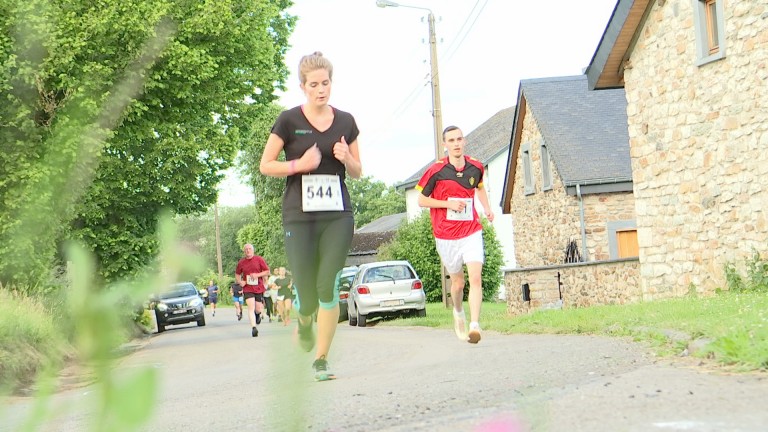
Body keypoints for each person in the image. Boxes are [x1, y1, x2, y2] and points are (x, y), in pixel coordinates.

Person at [259, 51, 362, 381]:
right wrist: (297, 165)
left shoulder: (346, 121)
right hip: (299, 217)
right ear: (302, 86)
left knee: (327, 286)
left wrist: (347, 158)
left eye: (326, 83)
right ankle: (304, 321)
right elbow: (266, 164)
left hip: (337, 215)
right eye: (314, 84)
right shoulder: (288, 121)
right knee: (305, 293)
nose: (321, 90)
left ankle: (321, 359)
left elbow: (358, 172)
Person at [416, 125, 494, 344]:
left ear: (464, 141)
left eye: (459, 139)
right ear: (445, 145)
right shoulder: (436, 171)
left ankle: (475, 326)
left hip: (471, 230)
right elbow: (421, 200)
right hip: (446, 235)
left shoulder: (476, 166)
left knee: (476, 278)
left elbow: (479, 188)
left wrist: (486, 208)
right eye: (451, 140)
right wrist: (447, 203)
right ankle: (458, 311)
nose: (456, 143)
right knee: (458, 283)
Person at [235, 243, 270, 337]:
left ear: (253, 250)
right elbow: (237, 274)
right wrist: (240, 282)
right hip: (247, 288)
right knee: (251, 307)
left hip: (258, 287)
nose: (248, 251)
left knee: (258, 308)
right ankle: (254, 328)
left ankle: (258, 315)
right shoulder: (241, 262)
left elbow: (267, 271)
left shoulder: (259, 259)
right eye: (246, 249)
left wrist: (257, 275)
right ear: (244, 251)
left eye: (249, 249)